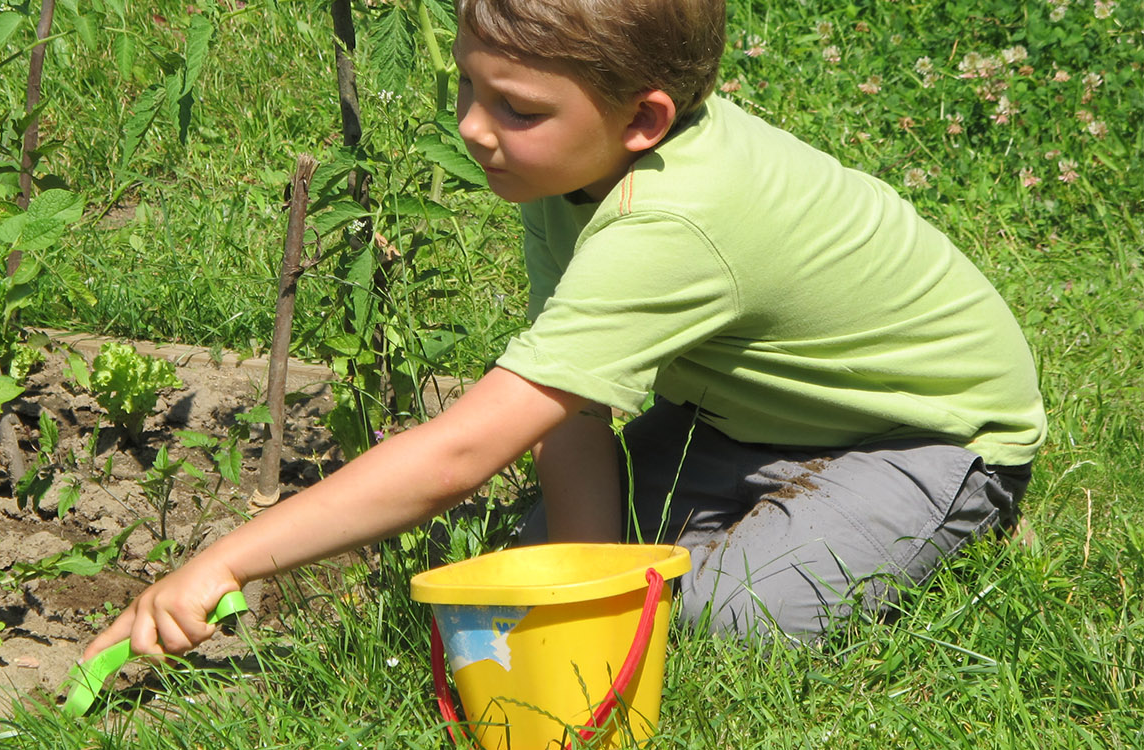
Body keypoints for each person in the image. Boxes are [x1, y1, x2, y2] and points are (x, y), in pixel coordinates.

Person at [83, 0, 1045, 657]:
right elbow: (570, 418)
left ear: (643, 118)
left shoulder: (671, 223)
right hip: (739, 423)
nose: (471, 127)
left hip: (921, 433)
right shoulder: (564, 170)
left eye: (515, 107)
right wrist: (591, 582)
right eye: (468, 88)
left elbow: (458, 453)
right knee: (529, 581)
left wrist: (222, 559)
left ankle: (959, 518)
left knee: (720, 627)